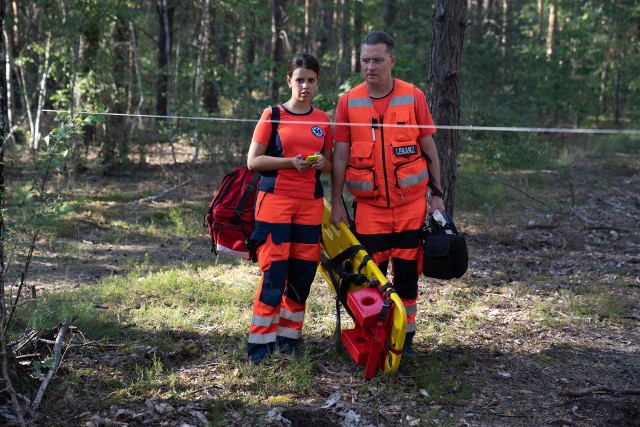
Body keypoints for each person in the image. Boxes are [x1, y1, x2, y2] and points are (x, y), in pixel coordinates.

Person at [330, 31, 445, 360]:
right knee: (369, 279)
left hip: (410, 207)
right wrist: (336, 203)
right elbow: (339, 157)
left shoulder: (413, 96)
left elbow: (429, 148)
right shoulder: (348, 102)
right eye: (365, 60)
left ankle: (405, 342)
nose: (370, 66)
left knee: (407, 279)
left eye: (377, 60)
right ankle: (374, 338)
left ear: (392, 61)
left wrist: (437, 194)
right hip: (369, 210)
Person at [246, 52, 333, 365]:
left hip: (310, 205)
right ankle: (260, 349)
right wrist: (289, 163)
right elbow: (253, 161)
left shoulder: (323, 120)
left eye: (310, 80)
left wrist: (323, 164)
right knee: (274, 275)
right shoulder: (273, 114)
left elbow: (330, 163)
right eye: (299, 80)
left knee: (302, 275)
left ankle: (288, 344)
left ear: (317, 82)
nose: (305, 86)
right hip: (275, 204)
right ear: (289, 81)